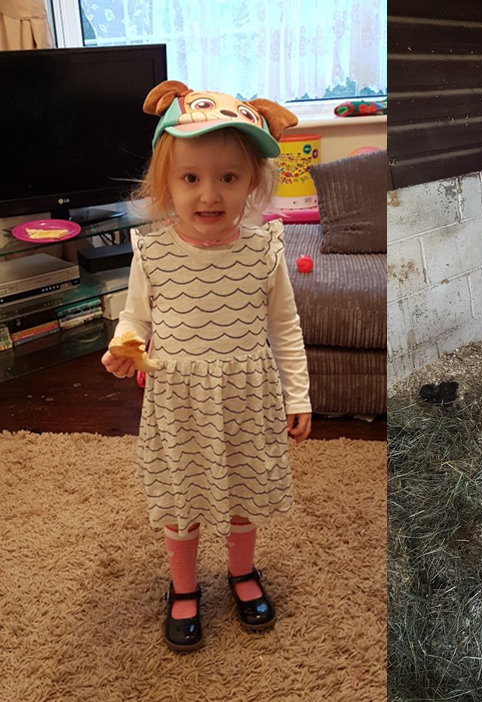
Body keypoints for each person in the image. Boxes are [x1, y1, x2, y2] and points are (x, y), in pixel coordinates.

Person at [101, 80, 311, 652]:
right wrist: (123, 346)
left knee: (244, 493)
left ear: (253, 183)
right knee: (182, 496)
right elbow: (135, 318)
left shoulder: (266, 248)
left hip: (247, 397)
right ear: (165, 184)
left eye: (228, 178)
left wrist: (299, 396)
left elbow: (284, 329)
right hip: (178, 401)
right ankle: (184, 586)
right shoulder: (152, 251)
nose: (209, 195)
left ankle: (242, 573)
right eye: (191, 178)